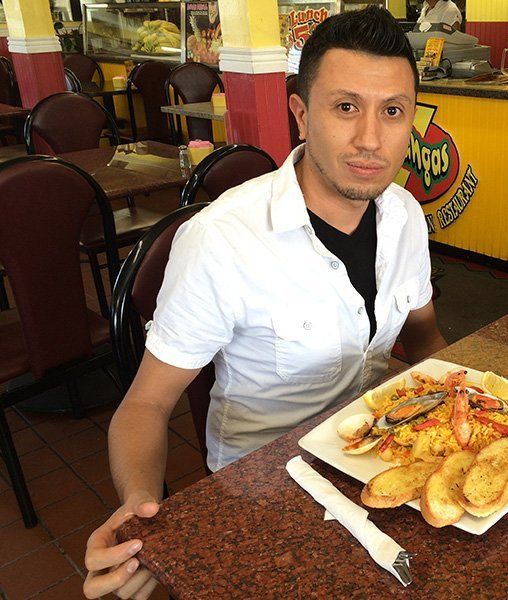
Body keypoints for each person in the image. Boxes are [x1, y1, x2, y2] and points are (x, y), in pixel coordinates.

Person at [82, 7, 447, 599]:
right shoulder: (222, 241)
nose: (371, 140)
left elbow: (427, 337)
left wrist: (463, 406)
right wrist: (139, 515)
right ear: (301, 114)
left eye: (393, 111)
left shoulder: (404, 213)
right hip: (264, 495)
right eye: (346, 106)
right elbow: (145, 405)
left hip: (382, 464)